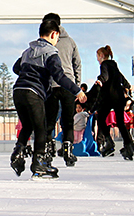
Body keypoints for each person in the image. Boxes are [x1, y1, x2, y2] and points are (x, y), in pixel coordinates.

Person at [10, 20, 86, 179]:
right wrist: (77, 91)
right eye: (57, 38)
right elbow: (60, 77)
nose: (57, 42)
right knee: (41, 128)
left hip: (18, 91)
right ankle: (39, 163)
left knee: (28, 125)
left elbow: (16, 68)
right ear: (54, 34)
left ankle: (18, 153)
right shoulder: (51, 53)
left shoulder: (28, 51)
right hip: (33, 93)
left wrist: (28, 75)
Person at [41, 13, 82, 167]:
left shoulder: (45, 43)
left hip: (51, 85)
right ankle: (68, 149)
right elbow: (77, 63)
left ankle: (48, 148)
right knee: (68, 120)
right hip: (68, 85)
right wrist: (77, 85)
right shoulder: (70, 42)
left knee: (49, 120)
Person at [95, 45, 134, 160]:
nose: (97, 59)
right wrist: (128, 86)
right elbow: (121, 77)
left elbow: (105, 76)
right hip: (119, 97)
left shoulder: (105, 64)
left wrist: (100, 80)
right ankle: (128, 146)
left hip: (109, 96)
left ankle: (109, 142)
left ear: (102, 55)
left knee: (101, 119)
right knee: (120, 122)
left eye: (97, 56)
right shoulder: (114, 65)